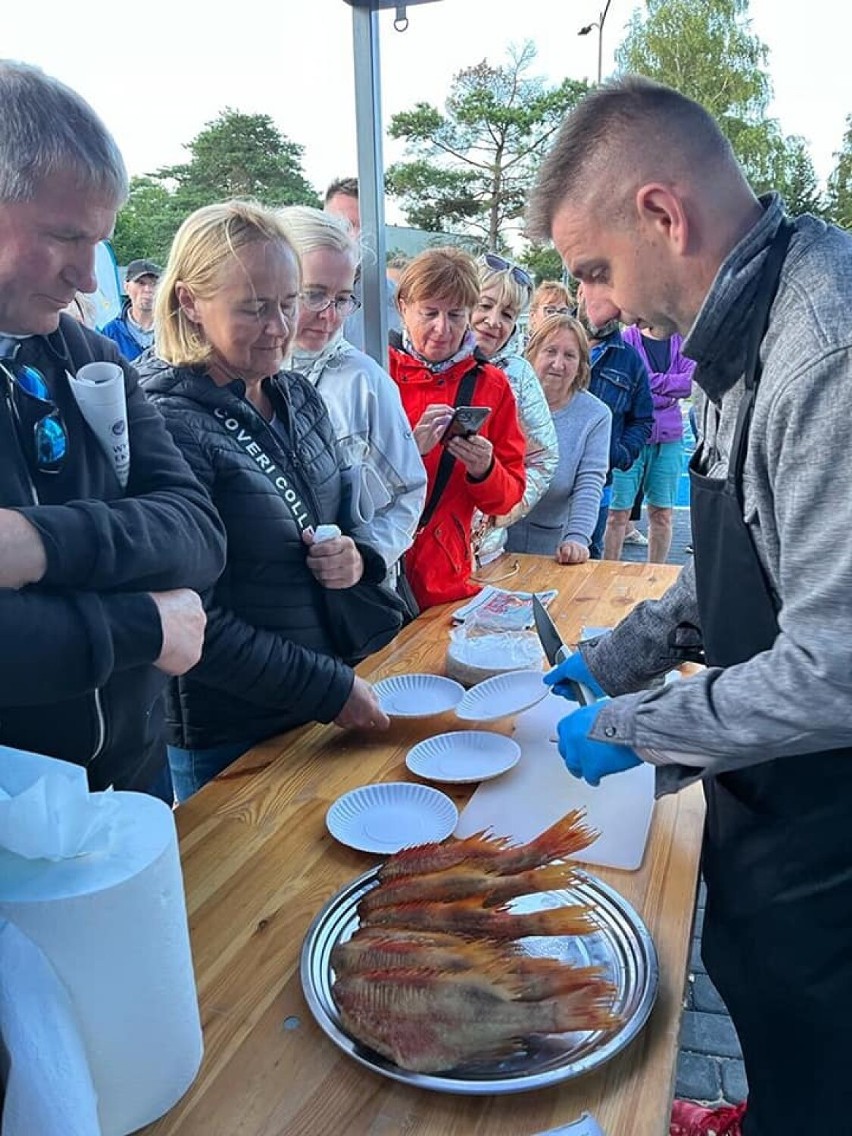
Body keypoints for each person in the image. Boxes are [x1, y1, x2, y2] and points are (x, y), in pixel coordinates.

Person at [528, 75, 852, 1136]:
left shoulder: (828, 350)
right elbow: (733, 558)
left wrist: (630, 727)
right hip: (780, 792)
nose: (601, 309)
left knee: (825, 1041)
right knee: (762, 985)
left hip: (835, 808)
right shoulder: (731, 331)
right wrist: (614, 658)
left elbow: (835, 666)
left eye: (598, 272)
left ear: (664, 214)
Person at [0, 60, 226, 798]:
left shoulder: (89, 355)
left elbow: (195, 531)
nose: (89, 279)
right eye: (65, 236)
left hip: (134, 783)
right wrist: (137, 628)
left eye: (95, 243)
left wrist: (37, 544)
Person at [138, 200, 391, 802]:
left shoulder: (297, 395)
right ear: (190, 303)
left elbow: (333, 520)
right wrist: (327, 689)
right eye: (254, 308)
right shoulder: (164, 423)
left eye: (287, 302)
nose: (280, 327)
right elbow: (190, 621)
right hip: (231, 729)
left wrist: (355, 559)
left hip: (317, 699)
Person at [279, 204, 426, 593]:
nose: (329, 315)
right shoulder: (241, 374)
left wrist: (363, 554)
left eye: (343, 298)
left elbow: (408, 492)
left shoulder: (366, 381)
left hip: (347, 608)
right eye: (313, 295)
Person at [388, 247, 527, 609]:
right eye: (429, 313)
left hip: (442, 577)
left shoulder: (492, 385)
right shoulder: (373, 370)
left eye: (455, 315)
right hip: (376, 569)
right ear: (403, 307)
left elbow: (508, 496)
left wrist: (485, 469)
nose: (442, 328)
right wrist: (409, 450)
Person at [470, 253, 557, 565]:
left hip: (483, 553)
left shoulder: (518, 375)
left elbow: (544, 457)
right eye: (484, 304)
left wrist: (502, 511)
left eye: (507, 314)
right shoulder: (421, 362)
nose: (493, 321)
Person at [505, 314, 610, 562]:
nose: (558, 364)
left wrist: (578, 537)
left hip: (552, 547)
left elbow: (590, 482)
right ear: (531, 355)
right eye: (550, 351)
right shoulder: (505, 396)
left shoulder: (595, 415)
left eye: (569, 356)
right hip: (491, 539)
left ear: (581, 365)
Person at [604, 324, 695, 563]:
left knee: (662, 514)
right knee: (616, 515)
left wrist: (649, 382)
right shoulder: (627, 340)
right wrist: (668, 386)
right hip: (631, 436)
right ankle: (605, 572)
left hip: (669, 438)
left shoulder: (683, 340)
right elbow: (632, 386)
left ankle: (655, 579)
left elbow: (690, 384)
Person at [577, 290, 654, 559]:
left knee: (586, 562)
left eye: (616, 304)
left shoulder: (630, 361)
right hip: (547, 480)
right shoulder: (558, 345)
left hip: (599, 483)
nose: (608, 313)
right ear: (580, 292)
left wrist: (618, 453)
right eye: (603, 301)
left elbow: (643, 420)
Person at [323, 176, 402, 351]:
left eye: (364, 226)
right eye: (343, 225)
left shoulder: (395, 302)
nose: (354, 236)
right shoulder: (290, 295)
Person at [99, 258, 161, 361]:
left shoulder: (174, 329)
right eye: (141, 283)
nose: (148, 289)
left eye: (154, 284)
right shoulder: (110, 333)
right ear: (126, 287)